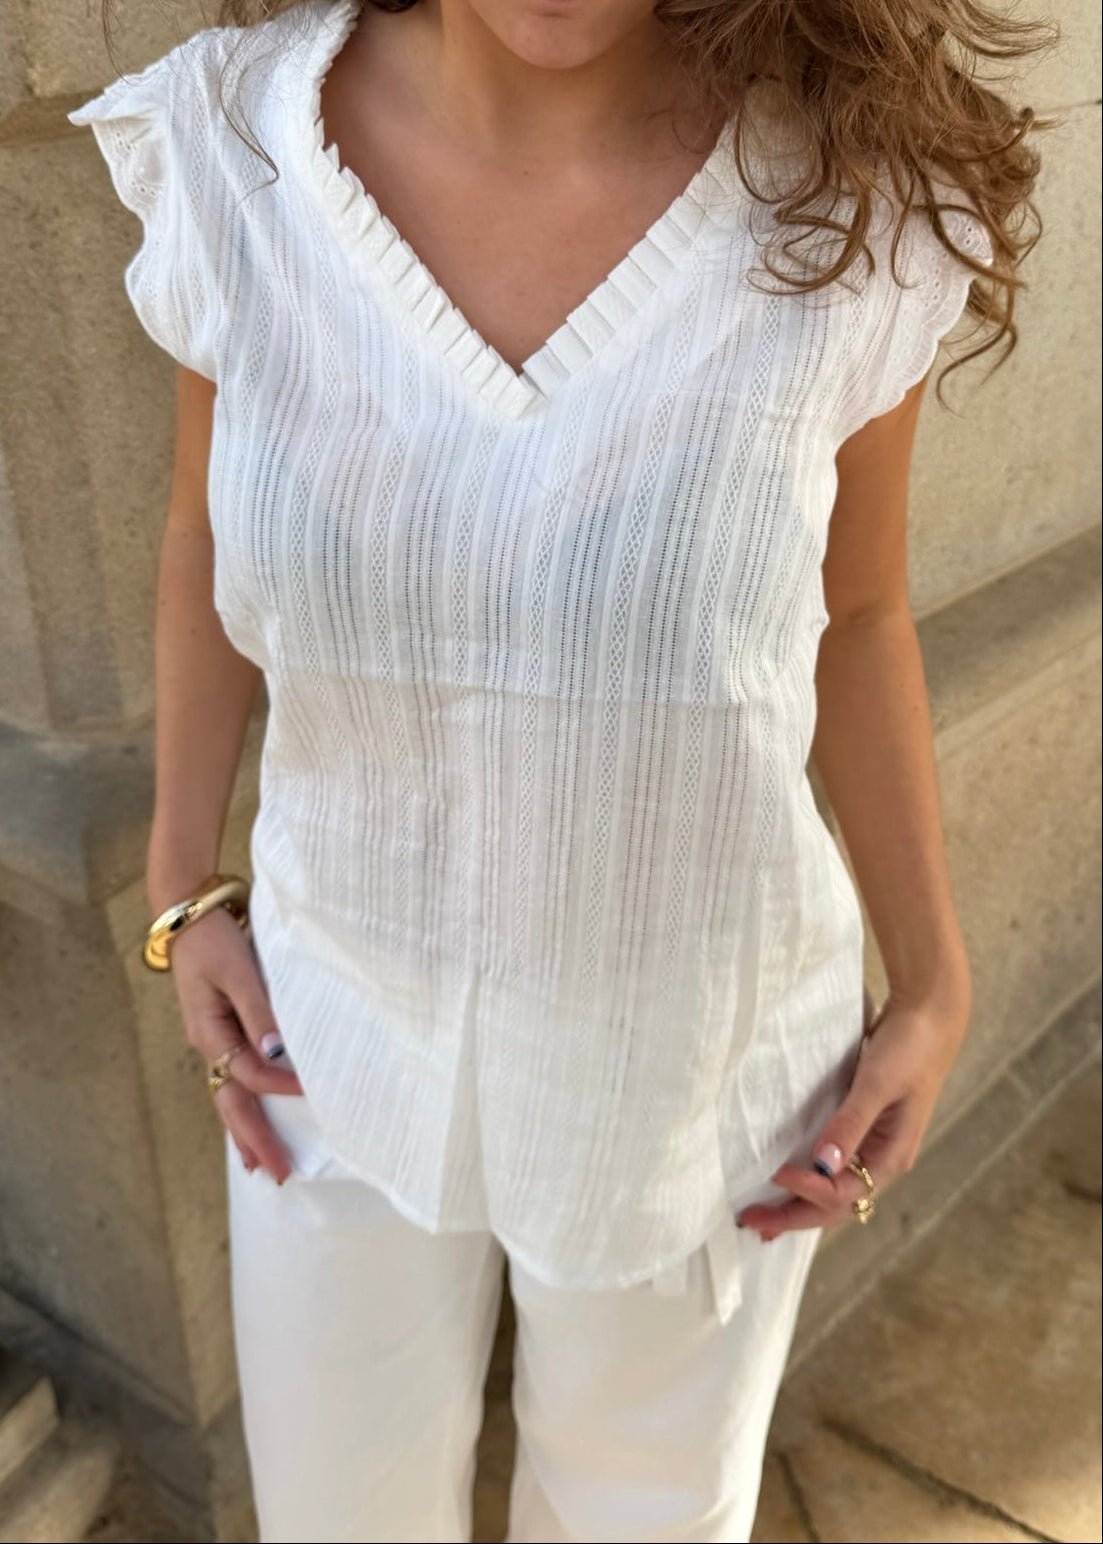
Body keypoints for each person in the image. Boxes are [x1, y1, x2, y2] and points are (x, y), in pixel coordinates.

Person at [69, 0, 1045, 1538]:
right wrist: (181, 885)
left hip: (702, 1068)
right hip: (331, 1036)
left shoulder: (849, 204)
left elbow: (856, 613)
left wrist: (933, 978)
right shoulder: (233, 149)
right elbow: (204, 530)